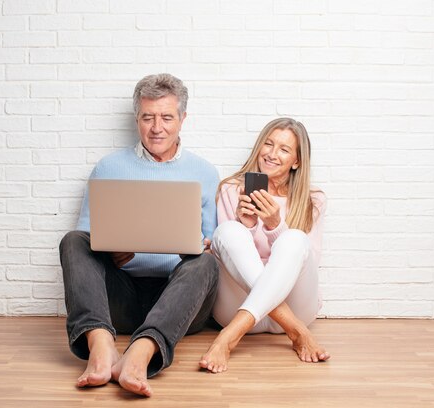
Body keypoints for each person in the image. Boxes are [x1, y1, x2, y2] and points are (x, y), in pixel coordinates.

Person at [59, 73, 219, 397]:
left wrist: (196, 248)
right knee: (73, 241)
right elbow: (87, 242)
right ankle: (101, 346)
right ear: (137, 119)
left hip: (178, 302)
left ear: (182, 119)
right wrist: (110, 251)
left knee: (208, 265)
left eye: (166, 117)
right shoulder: (108, 168)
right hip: (123, 296)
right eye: (148, 117)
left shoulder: (205, 172)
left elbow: (211, 244)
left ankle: (141, 352)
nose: (156, 127)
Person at [199, 118, 330, 374]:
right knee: (228, 231)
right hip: (241, 304)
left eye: (283, 149)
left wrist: (274, 226)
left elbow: (309, 260)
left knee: (294, 239)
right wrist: (246, 225)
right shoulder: (230, 190)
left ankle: (229, 337)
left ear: (297, 161)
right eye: (268, 144)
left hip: (296, 305)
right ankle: (297, 331)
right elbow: (227, 255)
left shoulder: (313, 200)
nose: (271, 154)